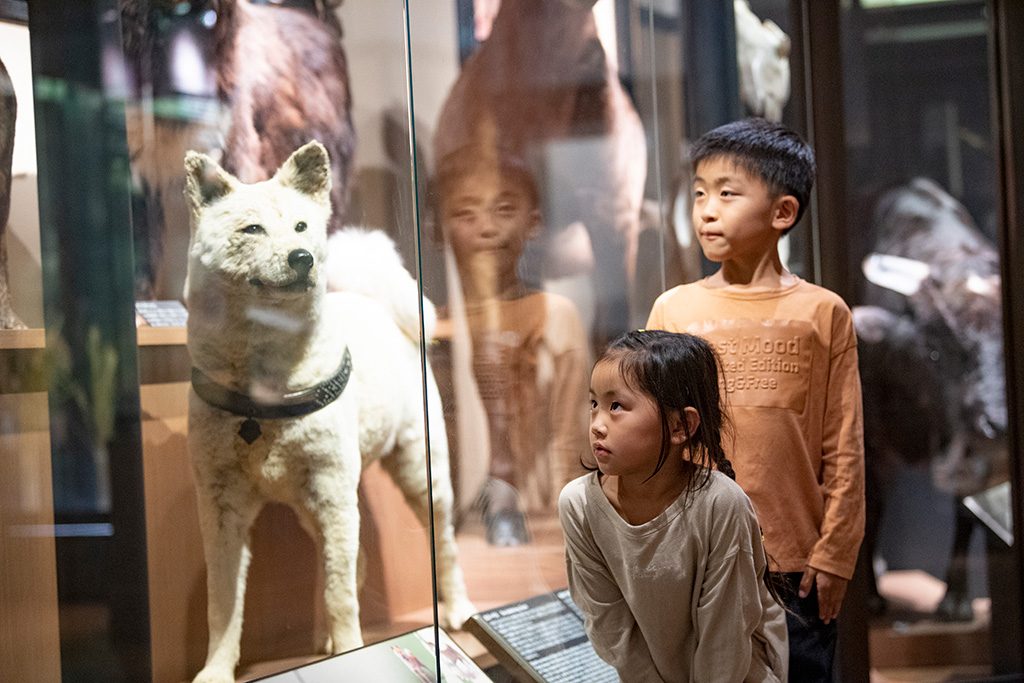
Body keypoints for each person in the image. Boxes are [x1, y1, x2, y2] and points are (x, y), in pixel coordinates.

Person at [646, 117, 865, 680]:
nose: (707, 210)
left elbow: (844, 445)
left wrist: (835, 552)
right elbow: (650, 440)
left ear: (782, 213)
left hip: (795, 568)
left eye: (727, 193)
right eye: (698, 194)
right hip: (697, 559)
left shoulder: (823, 313)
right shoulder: (674, 311)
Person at [559, 329, 788, 682]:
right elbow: (611, 628)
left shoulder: (721, 504)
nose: (597, 425)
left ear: (681, 424)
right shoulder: (578, 505)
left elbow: (724, 643)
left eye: (616, 406)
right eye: (594, 404)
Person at [437, 143, 590, 546]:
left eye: (504, 210)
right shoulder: (433, 327)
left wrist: (567, 528)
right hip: (456, 529)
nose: (486, 228)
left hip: (541, 522)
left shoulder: (553, 315)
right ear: (440, 229)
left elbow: (568, 435)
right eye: (465, 214)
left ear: (533, 221)